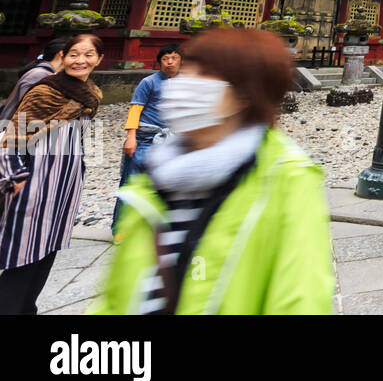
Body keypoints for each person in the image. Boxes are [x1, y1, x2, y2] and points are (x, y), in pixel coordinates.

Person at [94, 27, 334, 314]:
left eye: (205, 74)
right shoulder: (156, 176)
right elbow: (116, 297)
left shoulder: (287, 178)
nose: (186, 81)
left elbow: (300, 300)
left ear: (245, 94)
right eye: (189, 68)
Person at [0, 33, 102, 314]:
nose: (80, 60)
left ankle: (26, 309)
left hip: (64, 184)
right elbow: (11, 138)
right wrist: (15, 178)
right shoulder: (45, 91)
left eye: (88, 54)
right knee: (23, 255)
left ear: (99, 59)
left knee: (47, 251)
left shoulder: (89, 93)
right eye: (74, 54)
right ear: (63, 57)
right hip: (33, 181)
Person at [113, 43, 182, 234]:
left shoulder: (186, 82)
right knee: (131, 182)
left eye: (174, 58)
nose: (170, 62)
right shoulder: (149, 82)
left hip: (173, 139)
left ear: (180, 60)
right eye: (165, 59)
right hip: (145, 137)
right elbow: (136, 109)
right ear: (159, 62)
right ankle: (120, 228)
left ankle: (153, 226)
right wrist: (130, 137)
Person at [1, 38, 66, 125]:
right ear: (61, 53)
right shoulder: (39, 74)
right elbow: (29, 109)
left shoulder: (46, 73)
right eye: (73, 54)